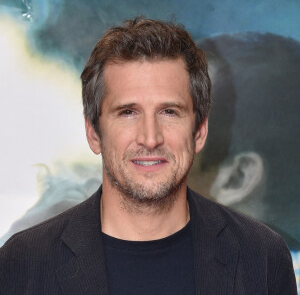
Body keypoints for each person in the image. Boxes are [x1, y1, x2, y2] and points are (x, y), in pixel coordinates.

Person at [0, 17, 297, 294]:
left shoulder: (263, 260)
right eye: (127, 112)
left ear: (200, 132)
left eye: (170, 112)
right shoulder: (24, 262)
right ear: (93, 132)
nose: (149, 138)